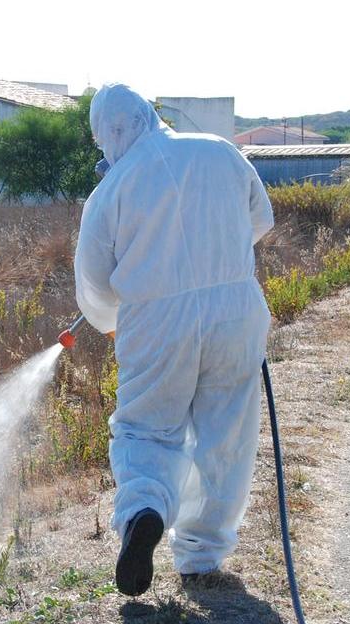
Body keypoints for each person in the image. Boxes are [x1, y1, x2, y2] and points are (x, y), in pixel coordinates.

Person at [73, 83, 274, 596]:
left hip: (157, 323)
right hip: (236, 311)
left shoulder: (111, 190)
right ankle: (201, 557)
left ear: (109, 133)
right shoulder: (221, 151)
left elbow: (93, 283)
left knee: (146, 429)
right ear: (148, 115)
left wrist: (112, 319)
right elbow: (260, 219)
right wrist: (213, 255)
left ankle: (144, 510)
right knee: (225, 432)